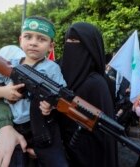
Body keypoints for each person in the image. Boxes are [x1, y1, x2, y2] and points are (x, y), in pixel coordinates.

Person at [0, 16, 68, 167]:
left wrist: (50, 106)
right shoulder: (10, 66)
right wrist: (4, 91)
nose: (33, 42)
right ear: (20, 40)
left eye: (41, 39)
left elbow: (60, 96)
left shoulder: (53, 68)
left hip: (42, 127)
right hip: (14, 128)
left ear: (51, 46)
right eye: (28, 37)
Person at [57, 22, 117, 167]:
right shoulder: (55, 72)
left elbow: (105, 137)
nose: (71, 45)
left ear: (90, 47)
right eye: (68, 41)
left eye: (76, 41)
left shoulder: (97, 84)